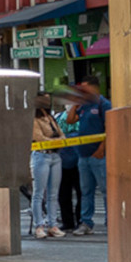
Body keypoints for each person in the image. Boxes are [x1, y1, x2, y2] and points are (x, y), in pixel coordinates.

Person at [65, 76, 110, 235]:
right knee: (86, 191)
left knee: (105, 190)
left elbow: (109, 127)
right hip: (83, 155)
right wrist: (75, 105)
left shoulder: (103, 104)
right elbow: (70, 121)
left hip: (98, 155)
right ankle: (86, 222)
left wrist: (101, 148)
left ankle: (109, 221)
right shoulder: (83, 105)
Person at [31, 94, 67, 239]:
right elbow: (39, 137)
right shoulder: (33, 119)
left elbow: (62, 135)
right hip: (41, 155)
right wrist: (57, 141)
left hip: (55, 156)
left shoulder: (51, 118)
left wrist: (56, 141)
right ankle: (39, 225)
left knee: (53, 193)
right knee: (39, 193)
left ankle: (53, 224)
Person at [55, 106, 82, 233]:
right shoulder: (58, 118)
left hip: (78, 161)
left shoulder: (81, 117)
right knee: (64, 194)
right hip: (63, 161)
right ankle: (69, 221)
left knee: (80, 193)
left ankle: (78, 220)